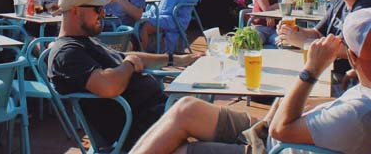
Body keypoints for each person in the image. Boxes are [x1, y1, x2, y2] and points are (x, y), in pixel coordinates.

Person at [129, 8, 371, 154]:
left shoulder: (359, 113)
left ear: (351, 56)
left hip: (274, 147)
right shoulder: (363, 94)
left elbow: (282, 130)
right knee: (186, 107)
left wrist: (311, 70)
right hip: (271, 132)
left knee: (176, 150)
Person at [48, 0, 169, 150]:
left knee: (194, 112)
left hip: (158, 115)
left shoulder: (85, 41)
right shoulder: (67, 53)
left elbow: (124, 56)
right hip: (139, 130)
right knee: (189, 109)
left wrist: (173, 59)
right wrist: (129, 65)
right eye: (98, 9)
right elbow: (108, 86)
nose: (103, 13)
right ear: (75, 11)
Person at [278, 0, 371, 88]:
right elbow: (318, 33)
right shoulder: (340, 0)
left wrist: (304, 42)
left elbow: (348, 48)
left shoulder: (365, 8)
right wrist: (294, 31)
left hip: (349, 81)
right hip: (326, 73)